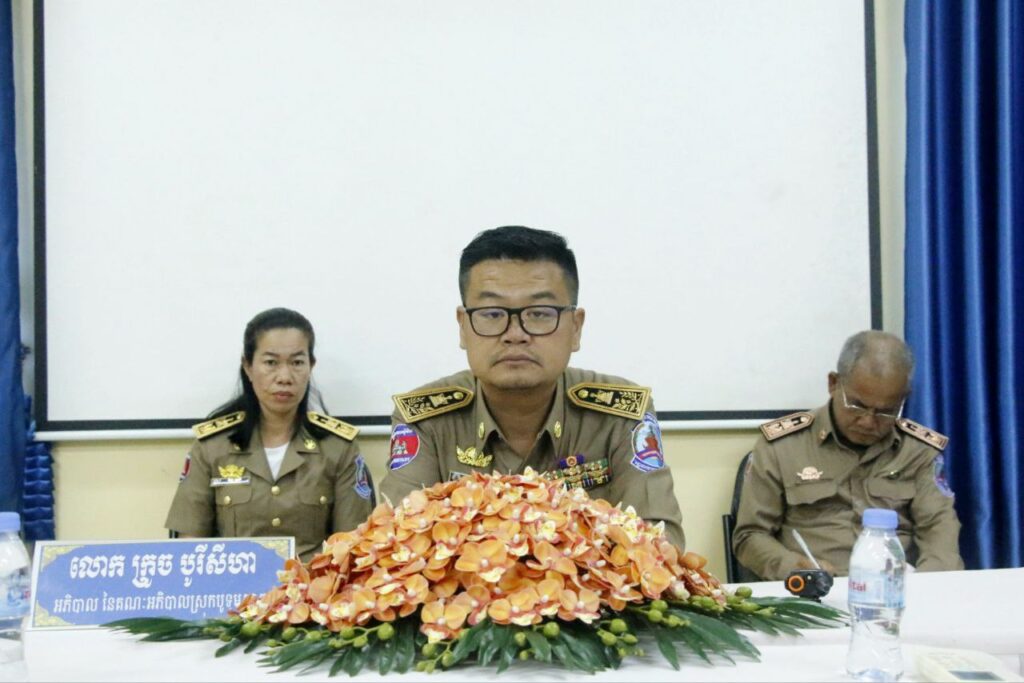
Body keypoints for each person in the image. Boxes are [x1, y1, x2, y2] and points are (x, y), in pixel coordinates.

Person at [379, 226, 686, 549]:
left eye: (540, 313)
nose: (515, 334)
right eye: (492, 313)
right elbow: (394, 544)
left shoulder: (621, 413)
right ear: (463, 327)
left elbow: (658, 543)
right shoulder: (425, 418)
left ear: (576, 328)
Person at [732, 330, 964, 580]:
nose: (868, 421)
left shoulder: (918, 451)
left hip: (895, 588)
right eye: (857, 406)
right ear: (833, 384)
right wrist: (795, 568)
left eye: (886, 411)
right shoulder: (783, 446)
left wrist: (928, 585)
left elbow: (939, 530)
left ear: (902, 400)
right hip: (814, 590)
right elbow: (750, 536)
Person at [165, 308, 375, 562]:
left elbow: (353, 548)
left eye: (297, 363)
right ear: (248, 366)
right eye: (271, 363)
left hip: (314, 584)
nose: (284, 377)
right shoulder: (213, 447)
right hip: (234, 585)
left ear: (311, 366)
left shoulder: (338, 448)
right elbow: (189, 546)